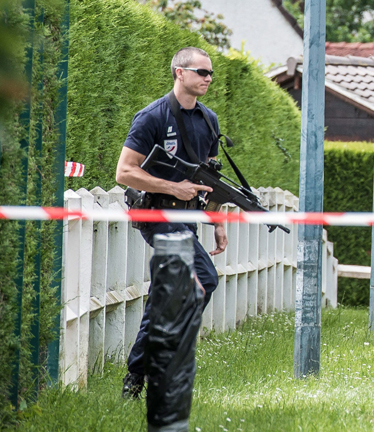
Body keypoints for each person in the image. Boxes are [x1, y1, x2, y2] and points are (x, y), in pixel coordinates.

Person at [115, 47, 227, 399]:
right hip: (157, 214)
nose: (208, 78)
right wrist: (172, 187)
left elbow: (210, 179)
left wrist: (218, 221)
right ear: (180, 72)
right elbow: (124, 172)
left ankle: (138, 374)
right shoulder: (152, 117)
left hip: (187, 219)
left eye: (211, 73)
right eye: (202, 72)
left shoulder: (209, 120)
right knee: (204, 279)